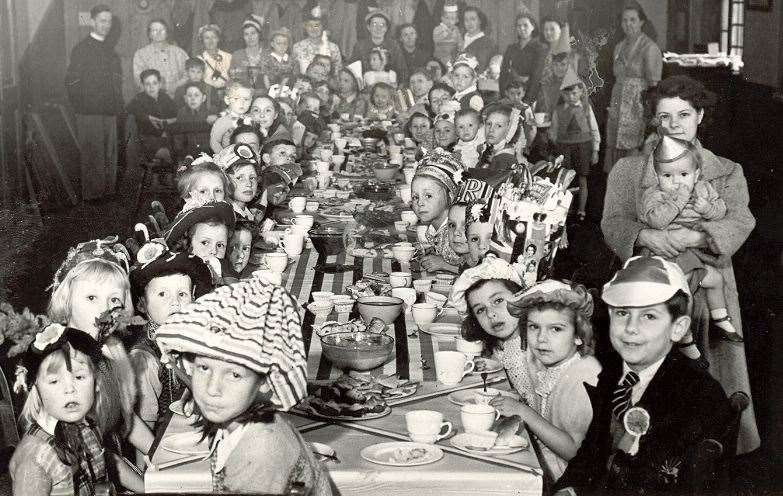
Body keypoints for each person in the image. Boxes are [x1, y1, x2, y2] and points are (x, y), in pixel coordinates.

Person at [601, 75, 759, 454]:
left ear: (700, 115)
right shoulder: (629, 170)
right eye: (664, 116)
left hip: (705, 284)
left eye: (684, 115)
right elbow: (613, 221)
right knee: (646, 370)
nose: (674, 125)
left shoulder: (725, 171)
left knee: (706, 376)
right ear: (654, 120)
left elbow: (740, 220)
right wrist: (646, 236)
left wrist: (696, 237)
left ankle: (705, 453)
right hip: (648, 288)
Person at [553, 256, 732, 494]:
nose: (630, 328)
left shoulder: (699, 396)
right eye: (622, 314)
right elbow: (592, 450)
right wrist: (568, 487)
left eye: (649, 316)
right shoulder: (612, 371)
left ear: (678, 328)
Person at [154, 278, 333, 494]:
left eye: (234, 374)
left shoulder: (259, 450)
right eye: (204, 368)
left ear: (266, 382)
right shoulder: (235, 420)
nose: (212, 389)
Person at [47, 237, 153, 492]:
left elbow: (125, 420)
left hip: (112, 468)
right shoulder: (63, 363)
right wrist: (151, 488)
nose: (104, 310)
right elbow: (97, 454)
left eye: (114, 300)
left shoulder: (111, 349)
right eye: (91, 297)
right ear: (67, 301)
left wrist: (160, 452)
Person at [640, 136, 742, 345]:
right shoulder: (655, 195)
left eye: (684, 174)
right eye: (667, 175)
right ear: (657, 176)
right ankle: (683, 335)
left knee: (715, 280)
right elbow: (655, 221)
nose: (677, 181)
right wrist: (677, 202)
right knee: (682, 291)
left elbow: (721, 210)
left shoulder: (703, 189)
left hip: (693, 252)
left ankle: (721, 318)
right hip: (667, 253)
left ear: (696, 175)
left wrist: (707, 209)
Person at [496, 280, 600, 482]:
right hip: (548, 464)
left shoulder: (584, 376)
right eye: (534, 327)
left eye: (556, 329)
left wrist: (523, 411)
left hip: (566, 480)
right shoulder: (557, 366)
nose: (541, 338)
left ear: (579, 336)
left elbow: (575, 452)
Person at [10, 324, 111, 496]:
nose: (69, 389)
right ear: (36, 388)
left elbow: (106, 463)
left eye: (79, 377)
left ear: (96, 383)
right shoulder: (35, 460)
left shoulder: (86, 425)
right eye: (54, 381)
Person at [129, 240, 213, 431]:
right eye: (162, 294)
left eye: (182, 294)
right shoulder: (144, 359)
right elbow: (144, 424)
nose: (175, 303)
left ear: (193, 297)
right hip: (166, 441)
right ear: (142, 304)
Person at [451, 255, 537, 395]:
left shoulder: (536, 346)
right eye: (480, 310)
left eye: (498, 301)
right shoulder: (501, 343)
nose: (490, 314)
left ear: (520, 296)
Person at [65, 4, 123, 201]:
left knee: (109, 153)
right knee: (93, 154)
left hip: (109, 110)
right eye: (102, 21)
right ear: (92, 22)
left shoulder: (110, 51)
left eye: (109, 21)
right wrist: (82, 107)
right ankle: (93, 196)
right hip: (89, 112)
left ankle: (108, 191)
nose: (106, 25)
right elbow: (72, 82)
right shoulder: (81, 49)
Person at [604, 1, 663, 173]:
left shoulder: (650, 47)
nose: (628, 24)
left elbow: (654, 86)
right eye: (625, 20)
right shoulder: (618, 46)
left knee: (634, 146)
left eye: (632, 20)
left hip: (638, 103)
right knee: (616, 145)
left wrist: (650, 113)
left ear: (641, 22)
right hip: (618, 101)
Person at [548, 68, 600, 222]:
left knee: (583, 178)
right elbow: (554, 131)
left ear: (581, 93)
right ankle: (566, 208)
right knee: (564, 179)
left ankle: (581, 209)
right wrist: (553, 149)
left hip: (583, 147)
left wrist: (595, 150)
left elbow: (594, 129)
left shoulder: (585, 108)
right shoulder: (558, 110)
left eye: (574, 93)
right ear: (562, 94)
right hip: (564, 148)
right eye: (567, 94)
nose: (571, 97)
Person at [412, 148, 466, 273]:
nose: (420, 203)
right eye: (415, 197)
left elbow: (481, 271)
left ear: (450, 196)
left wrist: (445, 265)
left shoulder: (460, 229)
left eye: (428, 196)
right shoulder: (434, 228)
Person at [164, 198, 236, 283]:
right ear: (187, 243)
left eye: (220, 245)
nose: (214, 251)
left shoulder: (228, 277)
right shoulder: (178, 279)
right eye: (205, 243)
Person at [127, 69, 178, 165]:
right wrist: (148, 117)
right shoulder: (139, 99)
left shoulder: (165, 97)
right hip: (148, 139)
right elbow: (130, 110)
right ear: (142, 85)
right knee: (169, 154)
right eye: (147, 84)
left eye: (154, 83)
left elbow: (176, 114)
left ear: (159, 84)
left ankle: (170, 176)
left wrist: (168, 122)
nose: (151, 87)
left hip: (167, 137)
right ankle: (171, 174)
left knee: (179, 149)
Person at [133, 19, 188, 98]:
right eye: (155, 30)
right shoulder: (141, 54)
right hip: (152, 101)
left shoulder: (179, 53)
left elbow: (189, 74)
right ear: (149, 34)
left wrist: (175, 86)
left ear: (167, 33)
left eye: (162, 30)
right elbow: (139, 80)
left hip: (177, 99)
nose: (158, 33)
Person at [499, 13, 546, 104]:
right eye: (519, 26)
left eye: (525, 25)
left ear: (533, 27)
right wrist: (504, 96)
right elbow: (503, 73)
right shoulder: (511, 48)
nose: (522, 28)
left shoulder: (540, 48)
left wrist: (527, 100)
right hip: (511, 95)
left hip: (532, 96)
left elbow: (536, 76)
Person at [474, 103, 524, 185]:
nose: (491, 130)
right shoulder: (493, 152)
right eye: (489, 124)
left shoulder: (503, 159)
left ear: (509, 131)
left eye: (499, 126)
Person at [212, 143, 261, 222]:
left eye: (252, 178)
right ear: (224, 180)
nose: (249, 184)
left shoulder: (245, 212)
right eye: (240, 178)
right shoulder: (225, 217)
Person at [350, 9, 406, 77]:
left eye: (382, 25)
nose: (378, 28)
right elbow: (352, 70)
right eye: (374, 24)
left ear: (386, 28)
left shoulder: (394, 45)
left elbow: (402, 70)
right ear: (368, 27)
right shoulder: (360, 46)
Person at [292, 4, 342, 76]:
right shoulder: (297, 47)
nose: (313, 29)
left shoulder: (333, 48)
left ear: (322, 27)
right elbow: (295, 73)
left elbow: (337, 74)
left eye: (317, 25)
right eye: (310, 25)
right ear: (305, 27)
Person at [173, 82, 215, 160]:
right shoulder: (181, 114)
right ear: (185, 98)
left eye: (196, 95)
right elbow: (179, 138)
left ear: (203, 98)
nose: (193, 98)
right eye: (189, 95)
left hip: (206, 153)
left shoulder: (209, 115)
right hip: (187, 153)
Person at [210, 82, 253, 153]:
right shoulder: (223, 121)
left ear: (251, 101)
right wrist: (223, 157)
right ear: (227, 100)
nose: (241, 103)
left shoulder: (250, 120)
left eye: (246, 99)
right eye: (236, 98)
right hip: (228, 158)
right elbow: (214, 142)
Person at [229, 15, 266, 92]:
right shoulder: (237, 55)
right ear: (243, 37)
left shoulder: (268, 54)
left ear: (259, 34)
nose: (250, 37)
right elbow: (233, 80)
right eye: (246, 34)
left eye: (253, 33)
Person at [198, 25, 232, 97]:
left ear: (218, 39)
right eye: (207, 38)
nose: (211, 41)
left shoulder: (228, 57)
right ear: (202, 40)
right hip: (208, 96)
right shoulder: (198, 60)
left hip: (227, 94)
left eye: (213, 37)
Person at [461, 6, 497, 73]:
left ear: (480, 21)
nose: (469, 23)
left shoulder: (488, 42)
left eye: (473, 19)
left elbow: (482, 66)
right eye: (466, 20)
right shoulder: (459, 40)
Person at [433, 3, 461, 67]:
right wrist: (447, 33)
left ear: (456, 20)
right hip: (440, 56)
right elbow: (436, 40)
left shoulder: (456, 29)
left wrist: (460, 48)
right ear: (442, 18)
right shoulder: (438, 29)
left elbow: (460, 41)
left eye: (452, 18)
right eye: (447, 18)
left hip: (452, 56)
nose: (449, 21)